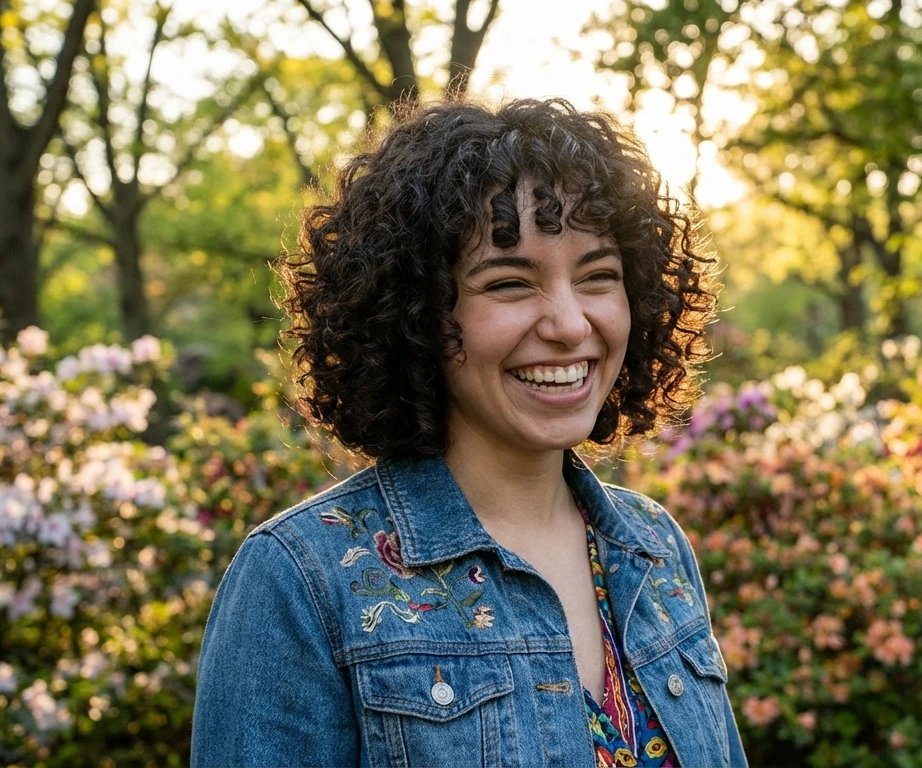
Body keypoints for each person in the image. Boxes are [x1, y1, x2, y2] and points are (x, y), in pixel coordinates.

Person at [191, 98, 747, 768]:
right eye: (510, 283)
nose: (570, 324)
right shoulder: (301, 580)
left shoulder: (654, 546)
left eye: (599, 276)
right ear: (417, 315)